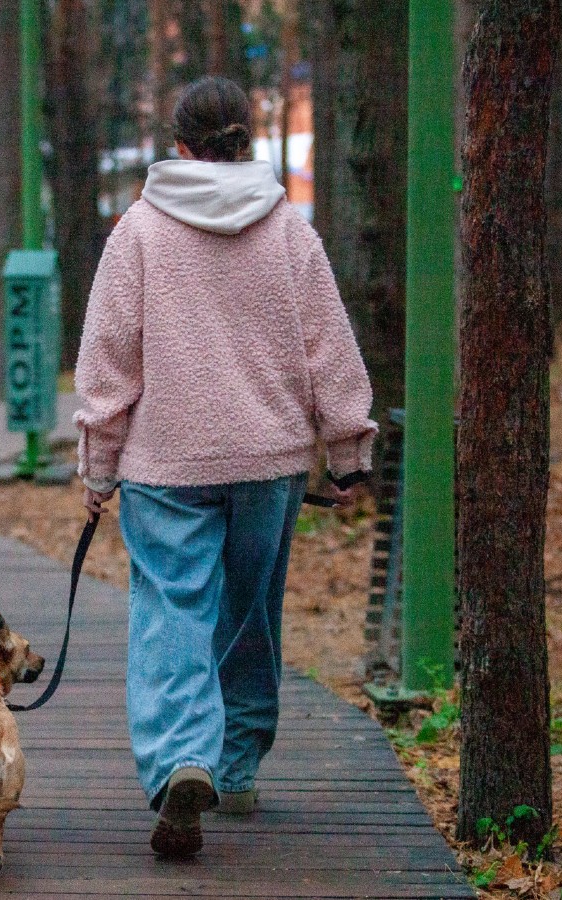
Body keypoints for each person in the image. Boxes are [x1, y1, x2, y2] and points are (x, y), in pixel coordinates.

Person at [73, 76, 377, 859]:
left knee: (174, 611)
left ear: (179, 146)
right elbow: (330, 348)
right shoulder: (288, 230)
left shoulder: (139, 232)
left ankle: (184, 757)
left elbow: (109, 358)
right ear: (246, 139)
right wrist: (348, 454)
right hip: (268, 462)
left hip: (165, 462)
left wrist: (98, 467)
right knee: (249, 615)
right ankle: (236, 769)